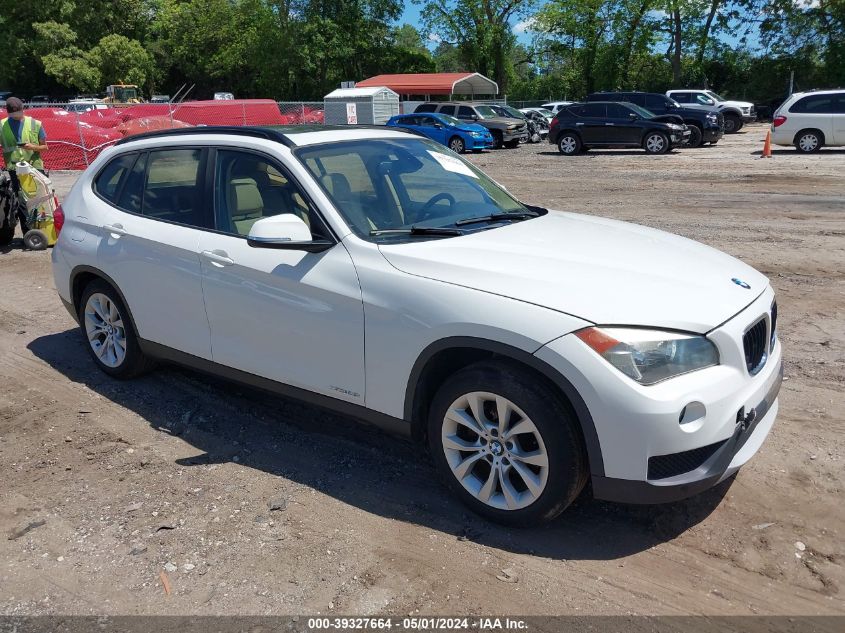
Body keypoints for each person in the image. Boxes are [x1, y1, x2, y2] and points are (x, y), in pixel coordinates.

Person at [0, 97, 48, 233]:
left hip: (35, 167)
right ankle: (28, 232)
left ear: (23, 109)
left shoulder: (35, 124)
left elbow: (45, 147)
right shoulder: (2, 125)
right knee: (21, 201)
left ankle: (43, 231)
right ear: (7, 112)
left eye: (18, 113)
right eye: (13, 114)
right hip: (15, 169)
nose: (16, 116)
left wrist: (32, 146)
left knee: (39, 200)